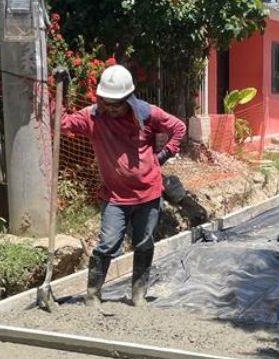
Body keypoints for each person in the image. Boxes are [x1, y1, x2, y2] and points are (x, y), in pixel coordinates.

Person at [57, 64, 186, 308]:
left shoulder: (146, 114)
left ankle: (138, 293)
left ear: (128, 98)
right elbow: (62, 123)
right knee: (107, 244)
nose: (111, 108)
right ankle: (93, 294)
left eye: (116, 103)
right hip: (115, 197)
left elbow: (178, 128)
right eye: (106, 102)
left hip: (149, 194)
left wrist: (163, 156)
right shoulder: (92, 117)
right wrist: (60, 90)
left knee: (144, 242)